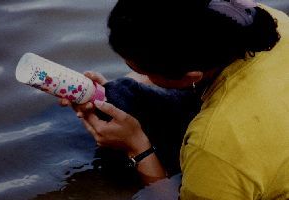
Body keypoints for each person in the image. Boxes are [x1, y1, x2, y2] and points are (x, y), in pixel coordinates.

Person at [61, 0, 289, 199]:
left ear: (191, 76)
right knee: (121, 93)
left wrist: (136, 146)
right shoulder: (243, 18)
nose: (136, 73)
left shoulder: (215, 147)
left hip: (235, 151)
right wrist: (106, 91)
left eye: (140, 69)